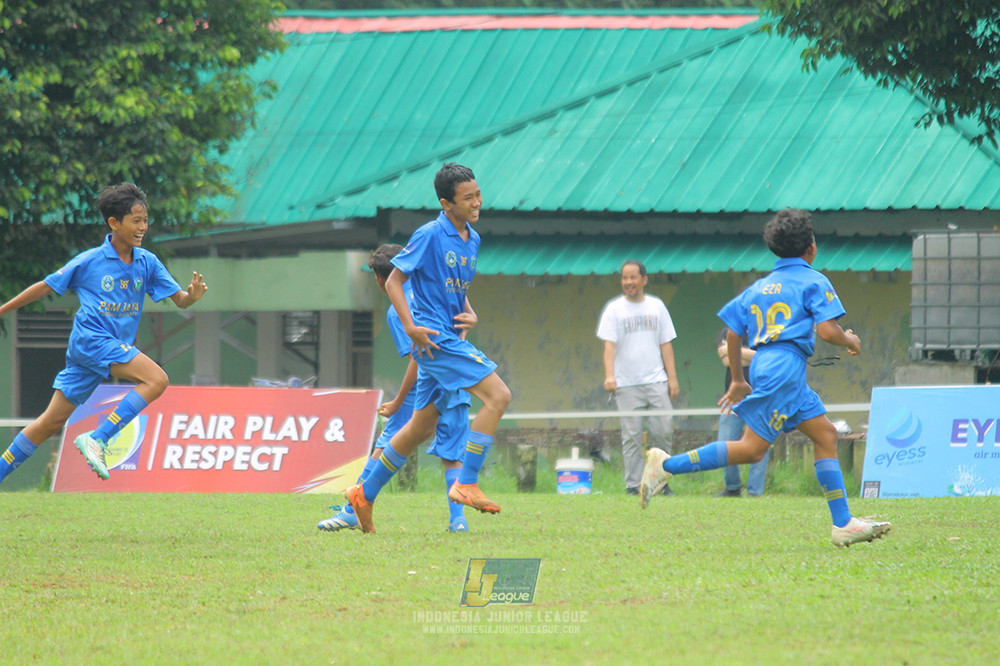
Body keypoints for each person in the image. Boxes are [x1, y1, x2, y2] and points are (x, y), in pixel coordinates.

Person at [639, 208, 891, 547]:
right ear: (812, 249)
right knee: (752, 450)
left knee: (826, 435)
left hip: (773, 368)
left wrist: (738, 380)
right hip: (784, 369)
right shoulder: (814, 280)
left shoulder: (760, 287)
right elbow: (828, 332)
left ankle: (843, 523)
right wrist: (851, 340)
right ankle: (667, 465)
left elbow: (731, 333)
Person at [344, 163, 512, 534]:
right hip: (436, 341)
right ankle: (466, 484)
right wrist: (411, 327)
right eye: (467, 198)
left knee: (419, 429)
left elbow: (456, 287)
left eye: (478, 195)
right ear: (445, 202)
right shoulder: (429, 234)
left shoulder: (473, 239)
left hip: (450, 336)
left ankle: (363, 495)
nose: (477, 202)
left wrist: (469, 313)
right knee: (499, 396)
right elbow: (395, 280)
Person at [0, 183, 207, 484]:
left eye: (145, 221)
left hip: (96, 352)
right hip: (92, 341)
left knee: (50, 422)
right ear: (114, 223)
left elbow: (180, 300)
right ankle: (99, 437)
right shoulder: (90, 261)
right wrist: (3, 309)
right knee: (157, 379)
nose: (143, 228)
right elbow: (46, 286)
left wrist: (194, 297)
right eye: (136, 221)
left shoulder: (147, 262)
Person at [317, 244, 471, 533]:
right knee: (452, 453)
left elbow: (418, 356)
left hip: (424, 387)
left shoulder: (396, 309)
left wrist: (398, 401)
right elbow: (462, 320)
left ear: (379, 279)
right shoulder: (435, 289)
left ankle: (352, 510)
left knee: (385, 446)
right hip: (456, 377)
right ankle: (458, 521)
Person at [597, 260, 680, 496]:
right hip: (626, 384)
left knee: (663, 432)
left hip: (656, 381)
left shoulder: (657, 306)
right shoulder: (614, 309)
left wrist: (672, 379)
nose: (628, 282)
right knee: (631, 437)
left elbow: (666, 345)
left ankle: (660, 484)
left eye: (633, 277)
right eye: (624, 278)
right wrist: (610, 376)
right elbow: (609, 347)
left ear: (644, 279)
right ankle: (633, 486)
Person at [713, 327, 770, 497]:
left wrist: (734, 351)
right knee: (724, 444)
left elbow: (766, 359)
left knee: (760, 444)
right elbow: (726, 361)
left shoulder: (766, 329)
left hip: (761, 395)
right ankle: (732, 487)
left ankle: (754, 492)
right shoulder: (727, 332)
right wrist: (750, 355)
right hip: (733, 398)